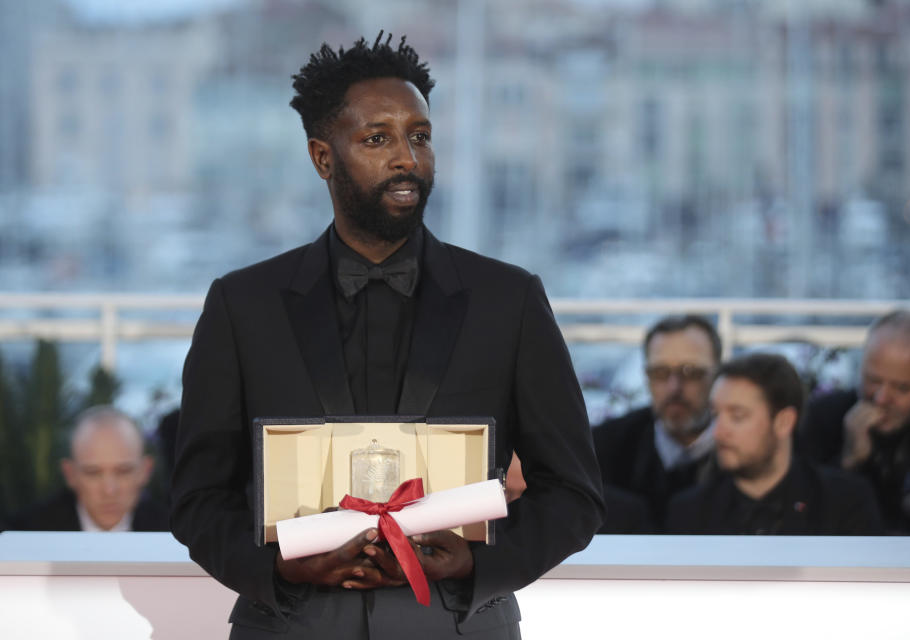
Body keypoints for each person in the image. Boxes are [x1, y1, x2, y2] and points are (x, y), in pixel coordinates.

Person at [170, 33, 604, 639]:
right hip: (291, 627)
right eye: (378, 139)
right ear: (323, 158)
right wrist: (280, 568)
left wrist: (479, 563)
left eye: (420, 137)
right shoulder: (243, 305)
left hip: (457, 624)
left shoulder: (510, 299)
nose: (407, 158)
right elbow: (196, 499)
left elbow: (574, 493)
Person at [666, 353, 883, 535]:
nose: (718, 431)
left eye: (737, 416)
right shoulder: (689, 512)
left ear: (783, 422)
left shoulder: (846, 503)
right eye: (715, 415)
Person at [799, 310, 910, 535]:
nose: (881, 398)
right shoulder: (824, 416)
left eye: (902, 387)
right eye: (873, 380)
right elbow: (798, 516)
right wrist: (847, 463)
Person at [591, 315, 720, 532]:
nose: (674, 387)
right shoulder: (605, 447)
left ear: (718, 374)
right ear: (647, 376)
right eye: (660, 373)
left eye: (691, 372)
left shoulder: (749, 452)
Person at [11, 405, 168, 532]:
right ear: (70, 474)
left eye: (123, 471)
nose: (109, 490)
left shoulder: (174, 536)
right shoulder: (24, 535)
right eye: (93, 473)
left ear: (145, 471)